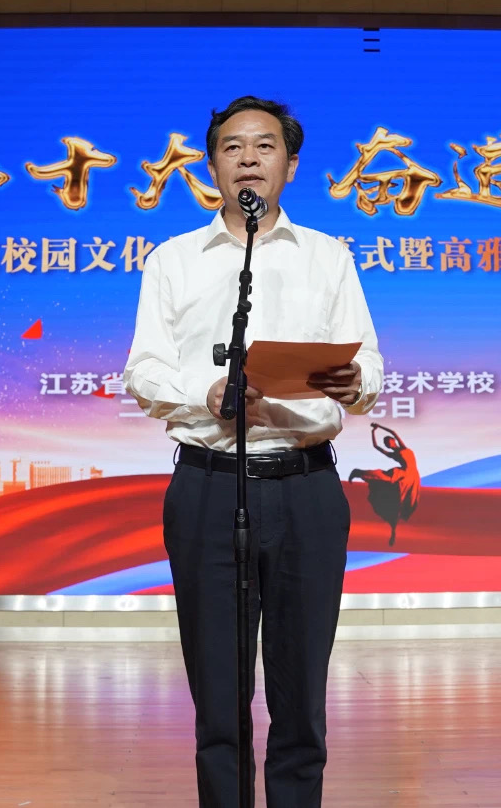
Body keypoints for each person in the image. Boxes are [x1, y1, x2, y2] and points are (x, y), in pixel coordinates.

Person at [124, 95, 384, 807]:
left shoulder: (328, 257)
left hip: (305, 487)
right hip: (208, 485)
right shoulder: (174, 260)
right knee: (219, 697)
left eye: (264, 146)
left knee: (300, 695)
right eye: (232, 147)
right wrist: (205, 390)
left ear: (290, 166)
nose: (248, 158)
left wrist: (346, 381)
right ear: (212, 166)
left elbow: (368, 369)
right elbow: (143, 370)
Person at [348, 423, 420, 547]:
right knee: (392, 493)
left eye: (389, 442)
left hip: (412, 477)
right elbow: (376, 446)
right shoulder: (393, 454)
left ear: (393, 441)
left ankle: (394, 529)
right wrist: (373, 432)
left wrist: (378, 426)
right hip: (402, 475)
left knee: (406, 501)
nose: (388, 445)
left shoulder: (403, 447)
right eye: (386, 444)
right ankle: (359, 472)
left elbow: (393, 432)